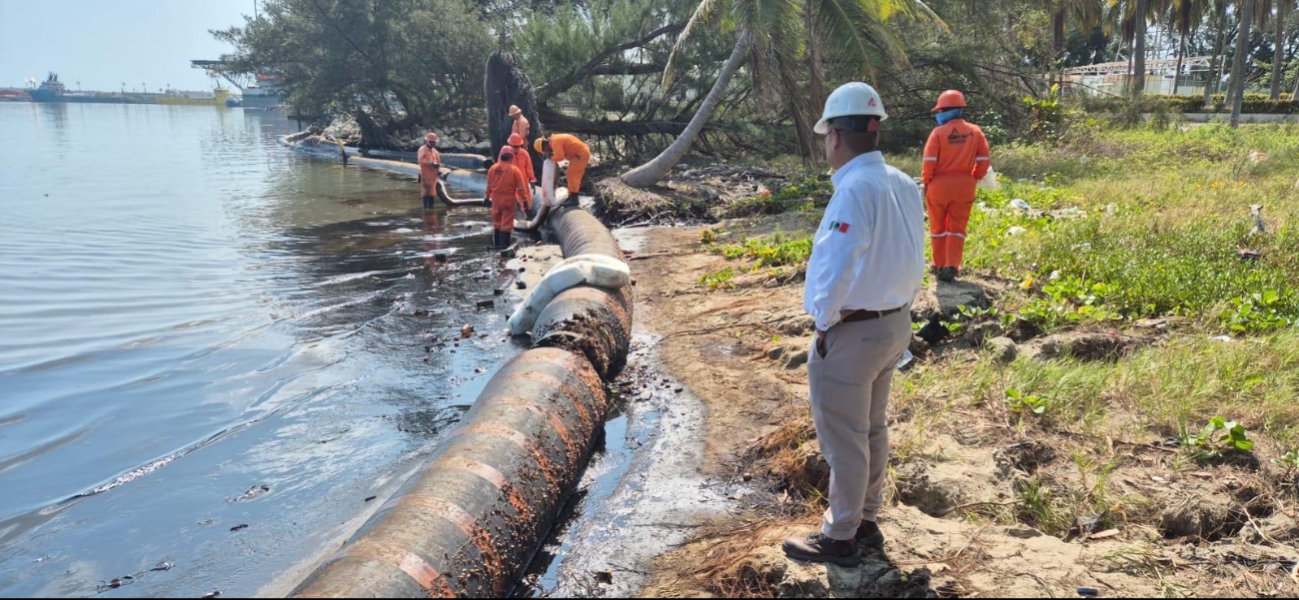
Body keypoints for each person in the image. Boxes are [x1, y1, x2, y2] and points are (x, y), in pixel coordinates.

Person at [781, 82, 925, 568]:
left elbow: (838, 263)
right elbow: (912, 252)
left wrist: (824, 322)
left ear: (835, 137)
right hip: (895, 323)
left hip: (854, 331)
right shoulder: (902, 183)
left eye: (824, 137)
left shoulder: (853, 188)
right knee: (871, 429)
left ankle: (839, 536)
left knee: (843, 436)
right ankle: (864, 517)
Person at [922, 90, 991, 283]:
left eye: (939, 111)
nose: (938, 114)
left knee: (937, 226)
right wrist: (974, 177)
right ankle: (952, 265)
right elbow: (984, 160)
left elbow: (928, 162)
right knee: (957, 227)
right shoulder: (975, 131)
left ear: (944, 110)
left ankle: (938, 264)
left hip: (938, 184)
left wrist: (927, 181)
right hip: (965, 185)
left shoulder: (937, 133)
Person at [485, 146, 530, 249]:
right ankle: (504, 248)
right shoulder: (515, 170)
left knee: (497, 223)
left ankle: (496, 246)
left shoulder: (493, 168)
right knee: (506, 224)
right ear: (511, 157)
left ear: (500, 156)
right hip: (509, 199)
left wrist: (487, 197)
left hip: (496, 199)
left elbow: (489, 185)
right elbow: (520, 188)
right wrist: (525, 200)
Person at [509, 132, 536, 211]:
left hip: (523, 183)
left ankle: (528, 212)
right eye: (515, 146)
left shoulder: (524, 154)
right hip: (511, 184)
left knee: (527, 201)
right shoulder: (506, 154)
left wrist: (532, 179)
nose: (517, 148)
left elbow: (529, 168)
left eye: (518, 146)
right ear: (510, 145)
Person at [417, 132, 443, 209]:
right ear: (427, 141)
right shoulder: (422, 149)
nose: (432, 144)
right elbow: (420, 160)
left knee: (432, 194)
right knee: (425, 193)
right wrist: (429, 163)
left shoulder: (435, 152)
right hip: (425, 175)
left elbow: (438, 162)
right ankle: (425, 209)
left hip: (433, 176)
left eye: (434, 142)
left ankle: (431, 209)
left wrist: (438, 169)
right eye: (431, 142)